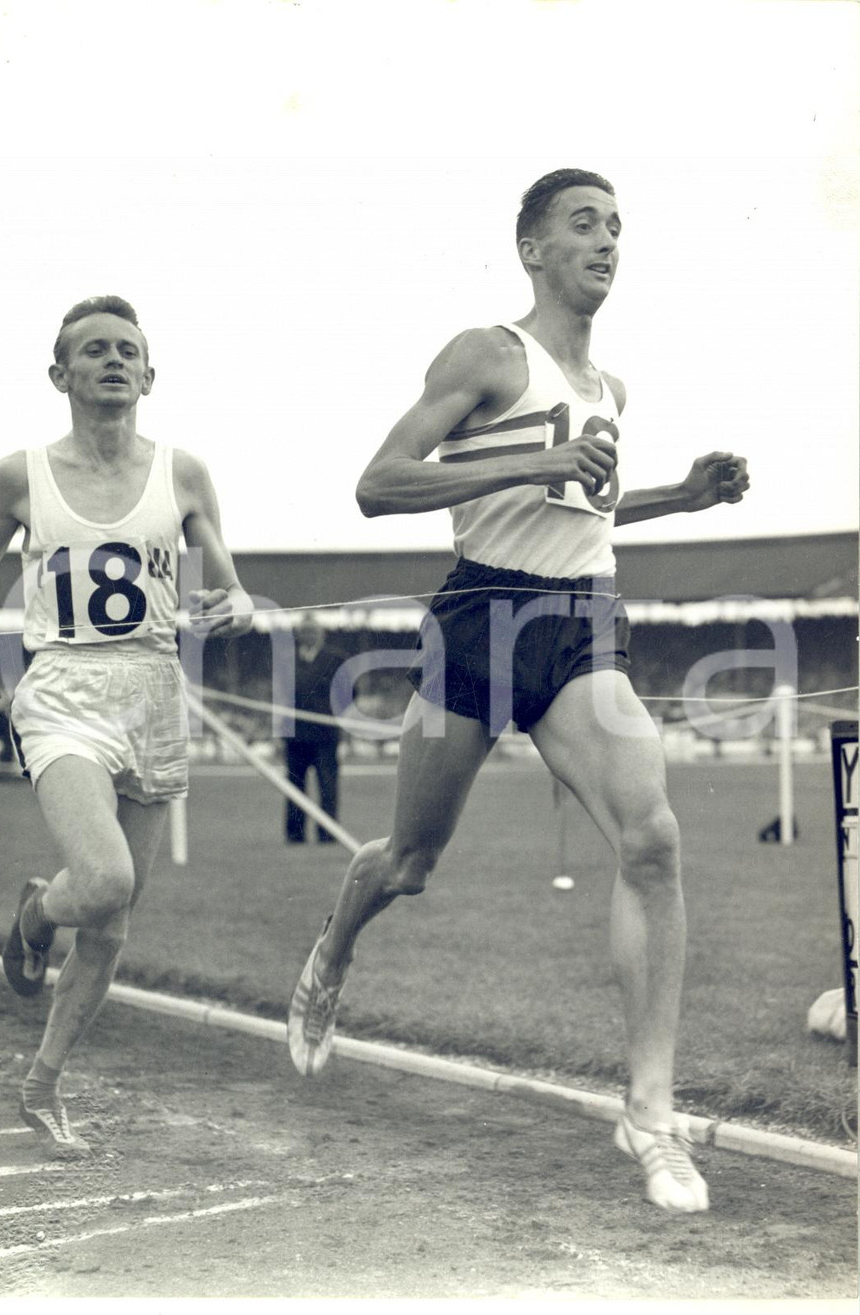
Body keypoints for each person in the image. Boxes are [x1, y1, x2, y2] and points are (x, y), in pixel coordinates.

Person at [287, 170, 750, 1213]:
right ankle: (329, 954)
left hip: (581, 619)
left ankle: (650, 1114)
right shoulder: (488, 354)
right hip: (481, 614)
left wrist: (685, 493)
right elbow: (379, 484)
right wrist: (522, 462)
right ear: (531, 247)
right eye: (583, 224)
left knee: (653, 839)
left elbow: (585, 513)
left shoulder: (611, 390)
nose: (607, 240)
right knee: (408, 861)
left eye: (617, 226)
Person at [0, 295, 252, 1156]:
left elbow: (229, 583)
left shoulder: (183, 473)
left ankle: (42, 1084)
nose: (114, 360)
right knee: (106, 878)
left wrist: (231, 606)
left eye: (129, 350)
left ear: (150, 375)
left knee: (115, 922)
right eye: (95, 351)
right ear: (61, 374)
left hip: (154, 691)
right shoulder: (22, 476)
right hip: (63, 689)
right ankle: (38, 915)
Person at [279, 612, 343, 843]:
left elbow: (349, 693)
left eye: (313, 631)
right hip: (295, 736)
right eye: (304, 632)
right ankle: (295, 835)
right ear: (297, 635)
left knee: (328, 786)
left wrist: (333, 715)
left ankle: (328, 834)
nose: (308, 636)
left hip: (325, 735)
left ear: (322, 635)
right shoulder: (287, 660)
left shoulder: (335, 660)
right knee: (295, 787)